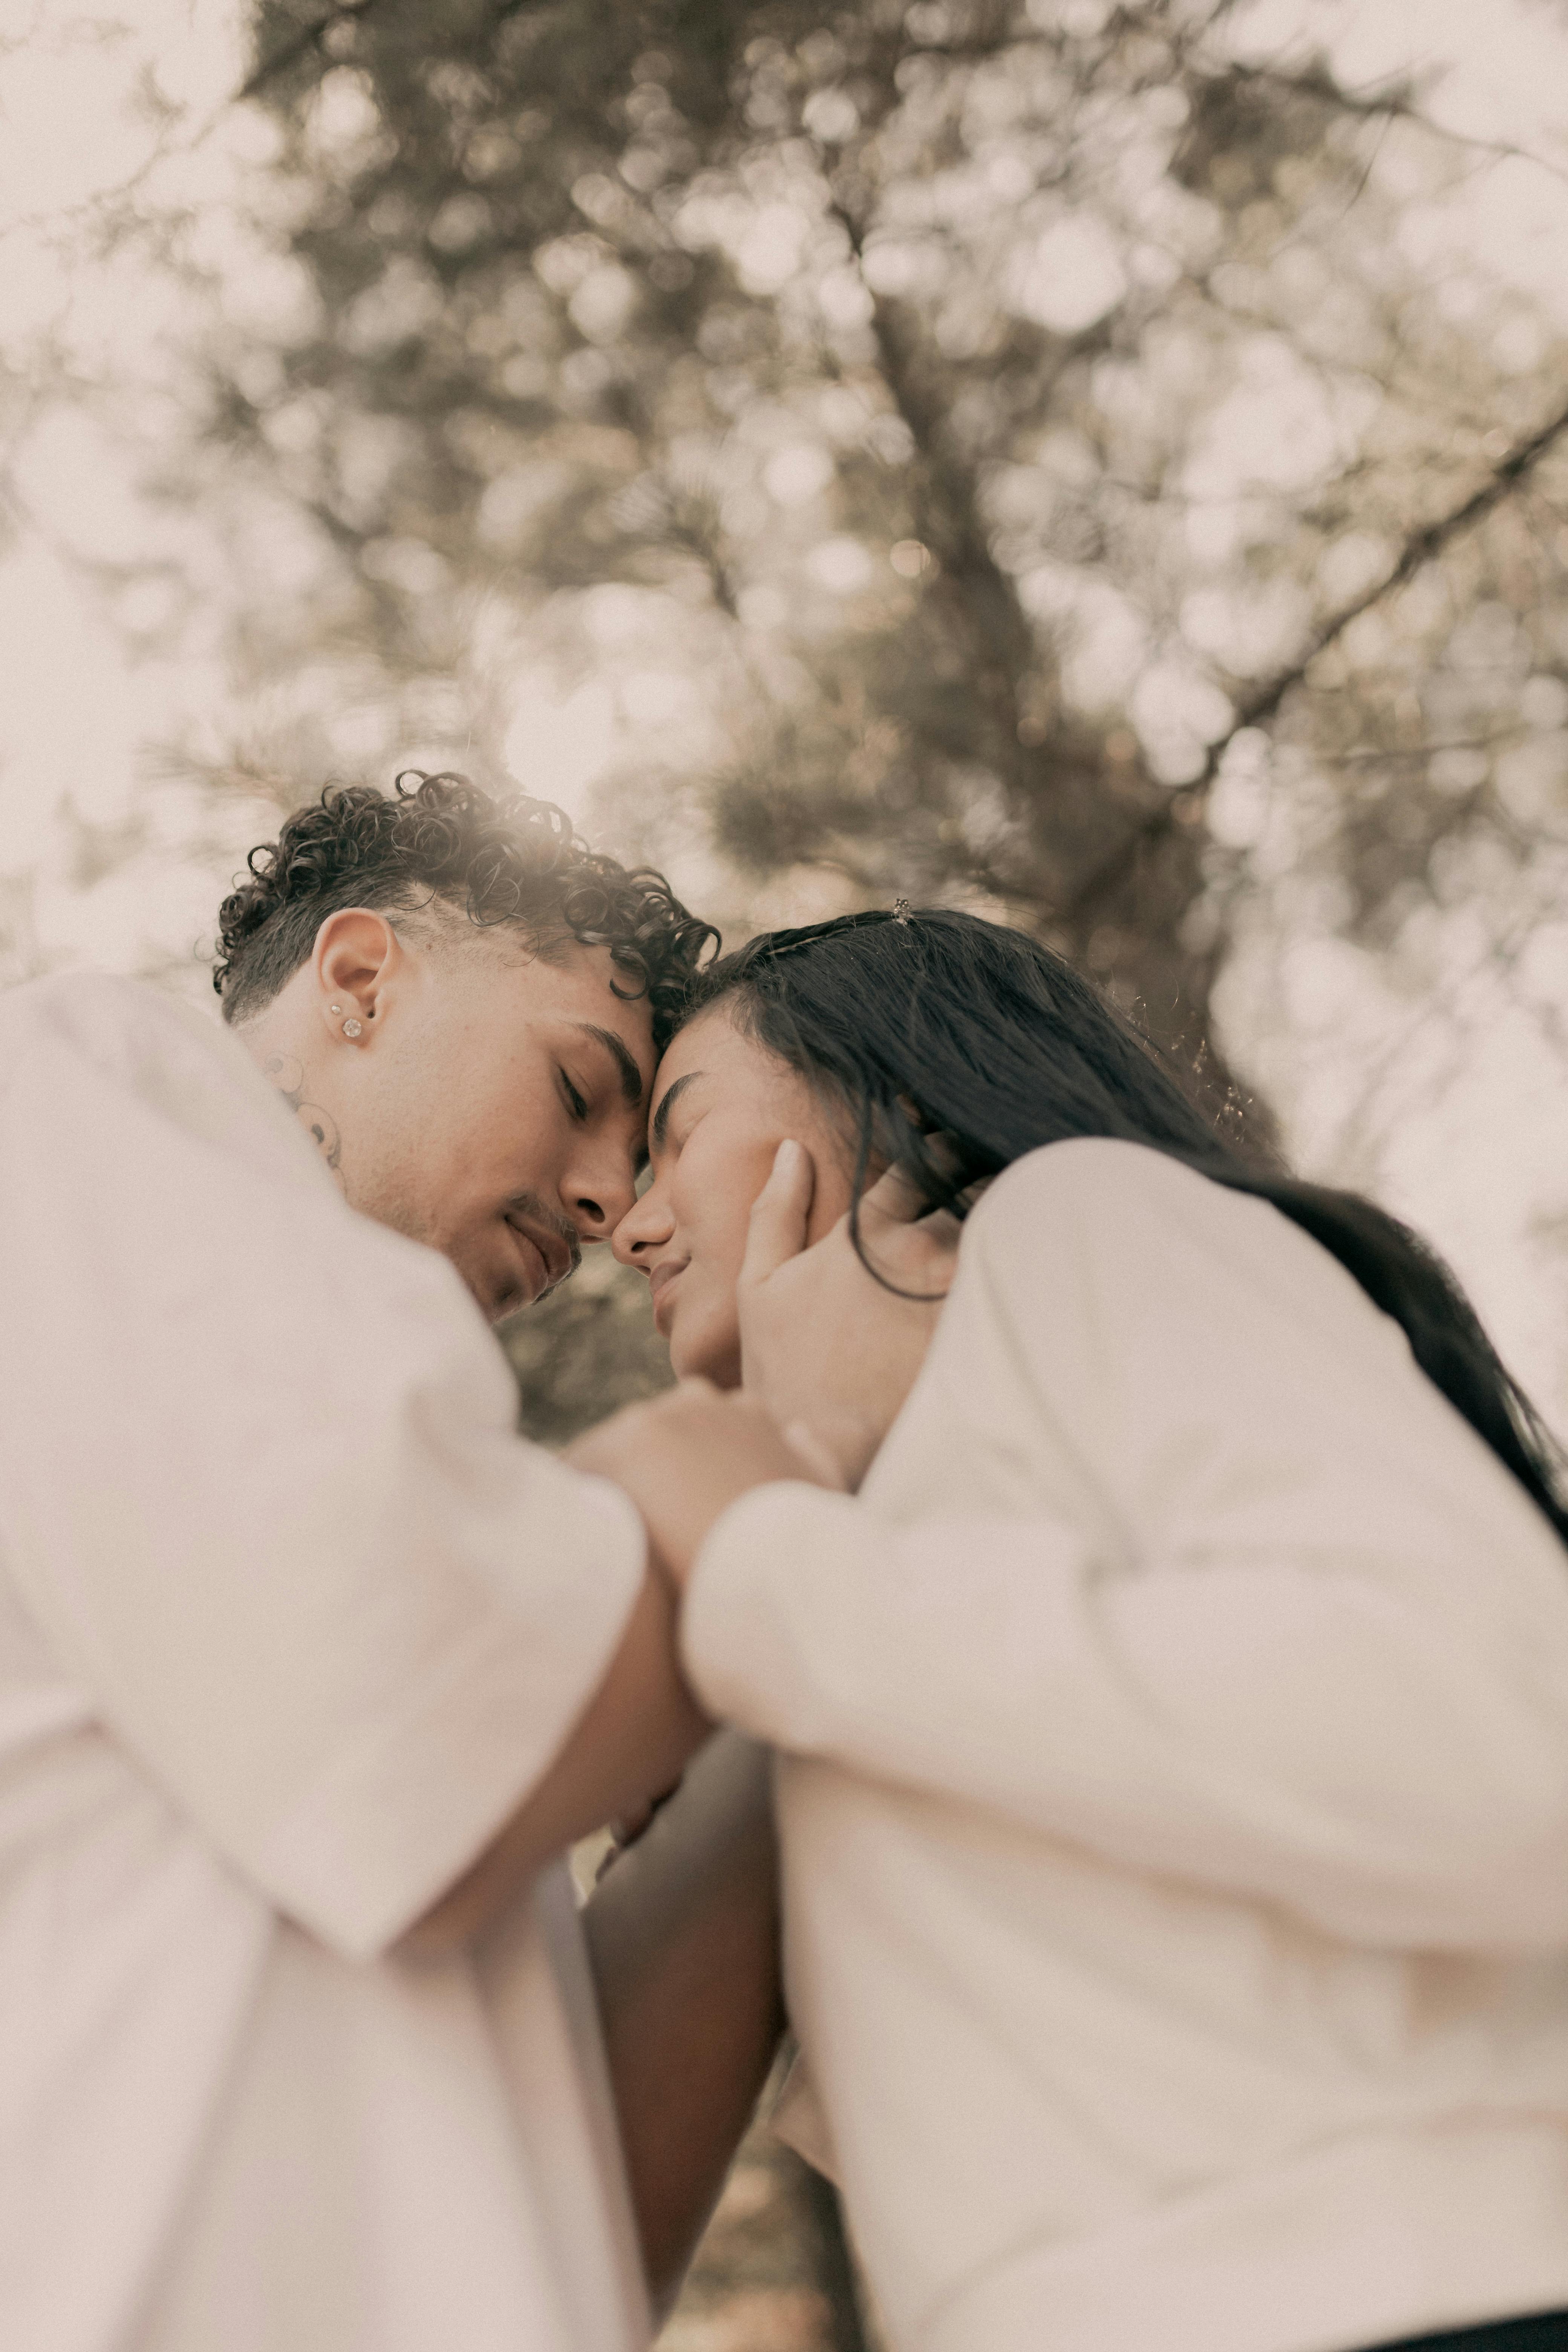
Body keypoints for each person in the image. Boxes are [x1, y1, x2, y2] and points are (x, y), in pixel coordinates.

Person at [576, 906, 1568, 2352]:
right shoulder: (880, 1529)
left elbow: (1503, 1745)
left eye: (678, 1130)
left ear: (894, 1083)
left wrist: (776, 1575)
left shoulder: (1079, 1221)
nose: (636, 1223)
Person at [0, 772, 789, 2352]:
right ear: (360, 981)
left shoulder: (341, 1474)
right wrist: (704, 1483)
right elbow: (426, 1733)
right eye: (580, 1087)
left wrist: (753, 1736)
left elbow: (573, 2203)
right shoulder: (87, 1082)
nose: (602, 1201)